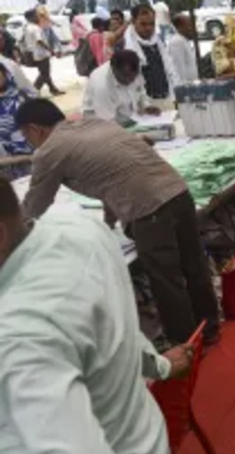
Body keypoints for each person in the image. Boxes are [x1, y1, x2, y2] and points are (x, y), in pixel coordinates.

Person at [0, 177, 194, 454]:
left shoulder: (20, 333)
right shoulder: (77, 226)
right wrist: (161, 365)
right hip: (147, 447)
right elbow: (116, 326)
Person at [16, 99, 221, 346]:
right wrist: (108, 221)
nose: (29, 142)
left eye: (26, 135)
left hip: (150, 209)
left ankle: (185, 344)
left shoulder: (50, 150)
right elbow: (113, 176)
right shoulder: (94, 124)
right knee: (193, 263)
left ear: (35, 129)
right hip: (178, 193)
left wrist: (11, 229)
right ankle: (209, 327)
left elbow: (34, 205)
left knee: (166, 279)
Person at [82, 49, 160, 127]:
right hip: (100, 121)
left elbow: (140, 90)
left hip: (129, 116)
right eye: (127, 76)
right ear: (114, 69)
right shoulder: (103, 86)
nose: (131, 80)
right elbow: (108, 121)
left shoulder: (134, 69)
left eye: (134, 76)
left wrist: (146, 106)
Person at [124, 4, 180, 102]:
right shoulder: (127, 47)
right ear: (133, 22)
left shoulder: (158, 43)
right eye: (143, 24)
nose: (148, 28)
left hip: (166, 100)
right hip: (143, 105)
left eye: (151, 24)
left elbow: (170, 71)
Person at [22, 10, 63, 96]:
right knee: (44, 74)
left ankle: (53, 89)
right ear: (31, 17)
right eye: (36, 15)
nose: (38, 17)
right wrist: (51, 50)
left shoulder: (26, 27)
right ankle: (34, 91)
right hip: (41, 54)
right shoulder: (35, 28)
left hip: (34, 53)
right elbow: (40, 41)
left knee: (45, 72)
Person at [167, 13, 199, 83]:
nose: (193, 28)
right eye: (189, 26)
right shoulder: (177, 42)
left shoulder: (183, 40)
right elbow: (179, 69)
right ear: (180, 27)